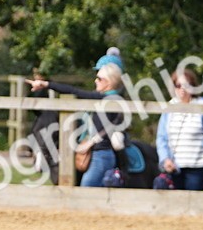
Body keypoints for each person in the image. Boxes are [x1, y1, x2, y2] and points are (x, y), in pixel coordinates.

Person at [26, 58, 130, 187]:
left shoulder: (106, 99)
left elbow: (74, 91)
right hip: (98, 154)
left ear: (108, 82)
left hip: (100, 155)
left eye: (99, 79)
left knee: (85, 190)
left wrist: (47, 85)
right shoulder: (113, 99)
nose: (95, 81)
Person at [156, 67, 203, 190]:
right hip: (175, 167)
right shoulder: (169, 107)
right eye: (178, 85)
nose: (182, 89)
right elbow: (161, 138)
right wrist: (165, 159)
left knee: (194, 206)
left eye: (186, 85)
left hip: (198, 166)